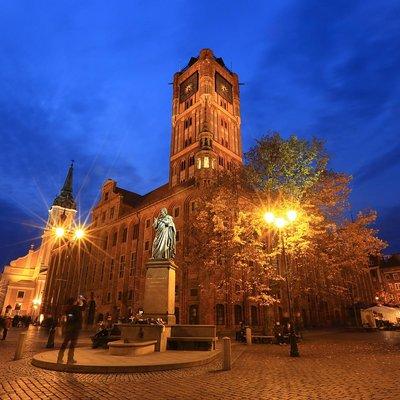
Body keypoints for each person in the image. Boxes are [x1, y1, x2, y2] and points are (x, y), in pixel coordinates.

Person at [57, 295, 86, 364]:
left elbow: (71, 315)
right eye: (75, 301)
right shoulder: (76, 308)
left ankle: (60, 358)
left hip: (69, 328)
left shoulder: (68, 308)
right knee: (72, 344)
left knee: (65, 343)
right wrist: (83, 300)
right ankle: (70, 359)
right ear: (73, 302)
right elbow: (83, 308)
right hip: (75, 328)